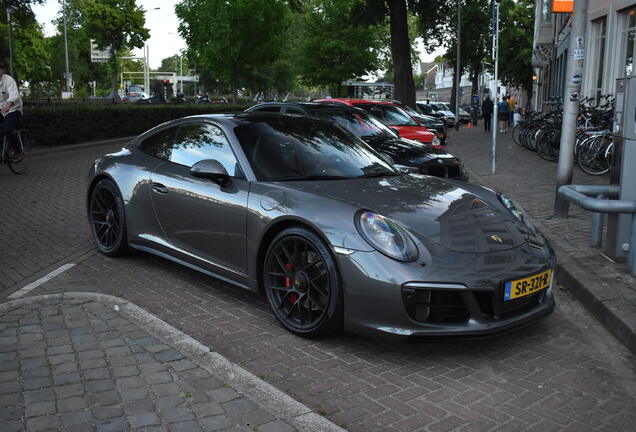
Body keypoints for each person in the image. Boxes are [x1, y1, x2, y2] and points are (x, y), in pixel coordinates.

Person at [0, 62, 24, 161]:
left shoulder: (9, 80)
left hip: (13, 110)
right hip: (1, 110)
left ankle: (18, 150)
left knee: (8, 130)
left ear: (2, 70)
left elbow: (14, 95)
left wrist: (8, 105)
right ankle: (2, 149)